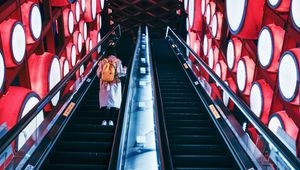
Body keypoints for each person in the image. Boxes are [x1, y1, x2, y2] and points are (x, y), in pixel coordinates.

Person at [96, 44, 126, 126]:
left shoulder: (102, 62)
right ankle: (111, 121)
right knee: (114, 101)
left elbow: (98, 74)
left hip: (104, 84)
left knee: (104, 102)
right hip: (115, 84)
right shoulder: (118, 61)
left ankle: (104, 120)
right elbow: (121, 73)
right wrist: (125, 70)